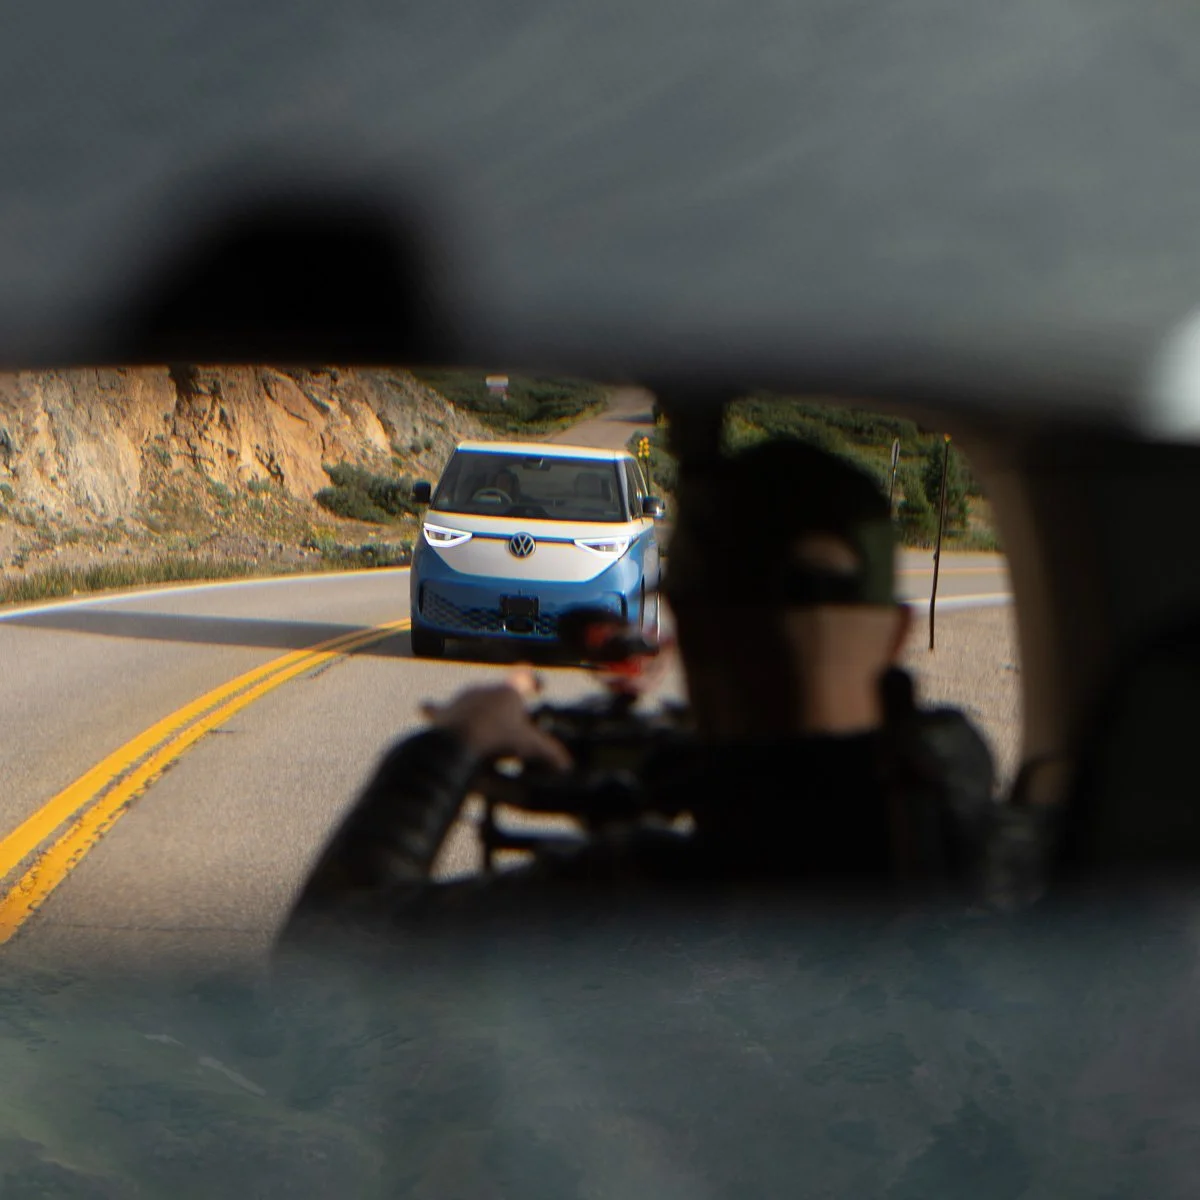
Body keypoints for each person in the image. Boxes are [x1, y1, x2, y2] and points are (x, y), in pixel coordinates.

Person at [276, 437, 999, 952]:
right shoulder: (1029, 867)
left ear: (679, 618)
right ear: (900, 633)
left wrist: (447, 745)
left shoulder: (633, 901)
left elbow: (330, 958)